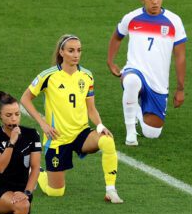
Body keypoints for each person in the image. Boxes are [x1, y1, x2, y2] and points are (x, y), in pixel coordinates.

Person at [20, 34, 123, 203]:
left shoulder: (87, 76)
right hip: (58, 139)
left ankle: (110, 190)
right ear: (61, 52)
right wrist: (43, 124)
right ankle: (37, 172)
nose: (76, 55)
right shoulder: (48, 76)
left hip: (81, 134)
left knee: (107, 140)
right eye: (71, 51)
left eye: (79, 50)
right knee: (56, 192)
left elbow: (91, 109)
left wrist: (99, 126)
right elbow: (25, 98)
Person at [106, 0, 188, 146]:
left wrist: (180, 89)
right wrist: (111, 61)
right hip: (135, 71)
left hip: (158, 82)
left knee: (152, 133)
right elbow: (117, 37)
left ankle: (136, 108)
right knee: (131, 81)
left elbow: (180, 57)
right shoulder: (132, 18)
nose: (155, 1)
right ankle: (130, 133)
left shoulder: (174, 21)